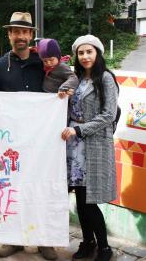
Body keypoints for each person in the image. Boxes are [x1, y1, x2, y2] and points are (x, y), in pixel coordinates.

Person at [0, 12, 58, 260]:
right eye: (15, 31)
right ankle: (13, 238)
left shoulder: (43, 63)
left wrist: (65, 93)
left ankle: (44, 239)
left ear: (31, 35)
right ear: (9, 34)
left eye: (25, 32)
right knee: (10, 188)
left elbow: (65, 80)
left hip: (41, 140)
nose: (20, 36)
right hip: (10, 142)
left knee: (41, 187)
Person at [61, 35, 118, 261]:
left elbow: (108, 114)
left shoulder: (105, 78)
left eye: (89, 52)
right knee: (80, 199)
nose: (85, 57)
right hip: (73, 148)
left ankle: (104, 247)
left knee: (89, 200)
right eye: (81, 53)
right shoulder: (75, 78)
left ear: (98, 53)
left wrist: (79, 129)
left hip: (93, 145)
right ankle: (88, 242)